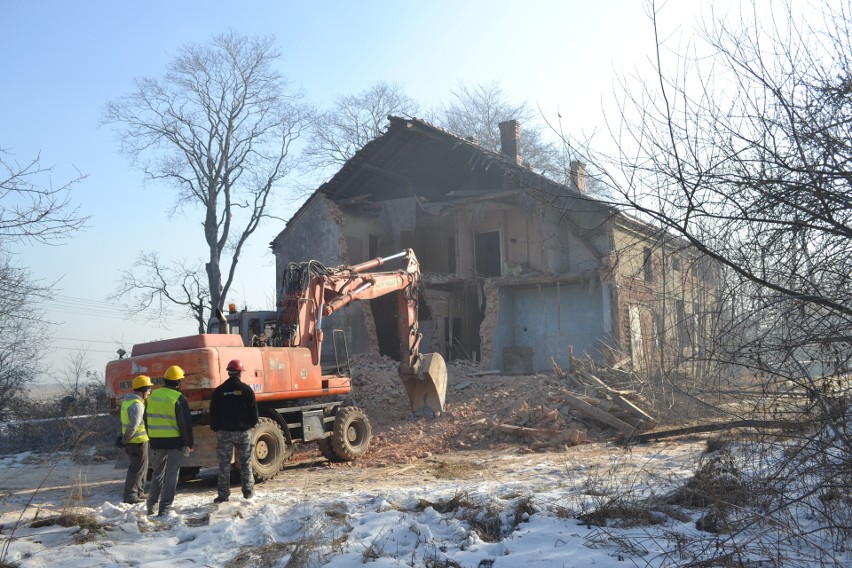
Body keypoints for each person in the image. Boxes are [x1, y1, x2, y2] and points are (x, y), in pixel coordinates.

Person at [145, 364, 194, 517]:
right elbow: (185, 425)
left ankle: (151, 505)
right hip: (174, 442)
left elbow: (146, 420)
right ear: (179, 382)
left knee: (157, 473)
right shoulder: (178, 399)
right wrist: (188, 443)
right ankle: (165, 507)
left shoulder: (152, 396)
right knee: (171, 474)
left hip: (156, 442)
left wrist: (151, 437)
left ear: (165, 380)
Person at [210, 359, 259, 503]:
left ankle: (223, 495)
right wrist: (248, 425)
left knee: (224, 465)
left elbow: (213, 413)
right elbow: (254, 414)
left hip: (223, 433)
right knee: (245, 463)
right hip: (243, 433)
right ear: (240, 373)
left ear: (229, 372)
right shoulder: (246, 390)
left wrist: (217, 428)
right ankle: (248, 492)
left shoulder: (218, 391)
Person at [117, 374, 152, 504]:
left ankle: (139, 492)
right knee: (136, 469)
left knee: (142, 468)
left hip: (137, 441)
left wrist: (123, 438)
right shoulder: (137, 405)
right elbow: (133, 425)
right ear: (142, 390)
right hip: (136, 442)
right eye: (148, 390)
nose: (149, 393)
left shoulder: (127, 401)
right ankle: (131, 495)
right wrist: (125, 439)